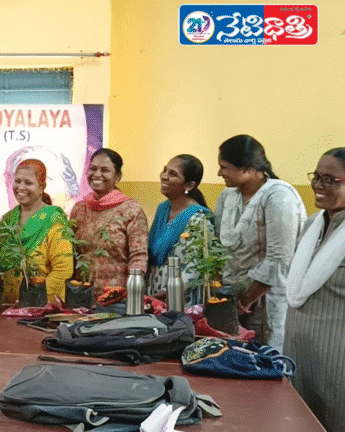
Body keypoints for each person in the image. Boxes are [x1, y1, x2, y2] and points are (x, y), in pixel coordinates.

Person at [214, 134, 305, 349]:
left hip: (266, 302)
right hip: (231, 301)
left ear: (247, 168)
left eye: (224, 167)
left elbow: (279, 259)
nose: (219, 173)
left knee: (265, 361)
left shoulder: (279, 197)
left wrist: (245, 302)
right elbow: (219, 247)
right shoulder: (227, 197)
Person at [284, 148, 345, 432]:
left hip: (336, 359)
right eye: (317, 177)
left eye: (330, 179)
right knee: (297, 420)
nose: (319, 186)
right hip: (299, 351)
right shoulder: (312, 224)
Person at [70, 148, 148, 289]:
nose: (97, 174)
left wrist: (132, 294)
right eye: (93, 169)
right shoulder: (80, 208)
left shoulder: (130, 209)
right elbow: (71, 254)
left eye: (105, 170)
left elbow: (139, 257)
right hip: (80, 293)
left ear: (117, 177)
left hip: (115, 297)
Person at [0, 159, 73, 303]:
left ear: (41, 187)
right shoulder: (8, 219)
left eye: (28, 183)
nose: (21, 187)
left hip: (41, 306)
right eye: (17, 181)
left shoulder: (53, 218)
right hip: (8, 305)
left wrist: (32, 299)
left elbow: (63, 270)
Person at [147, 155, 211, 306]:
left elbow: (194, 271)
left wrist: (162, 296)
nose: (164, 177)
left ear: (189, 185)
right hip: (153, 295)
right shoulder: (163, 209)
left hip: (180, 299)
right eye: (164, 170)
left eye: (173, 174)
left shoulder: (198, 218)